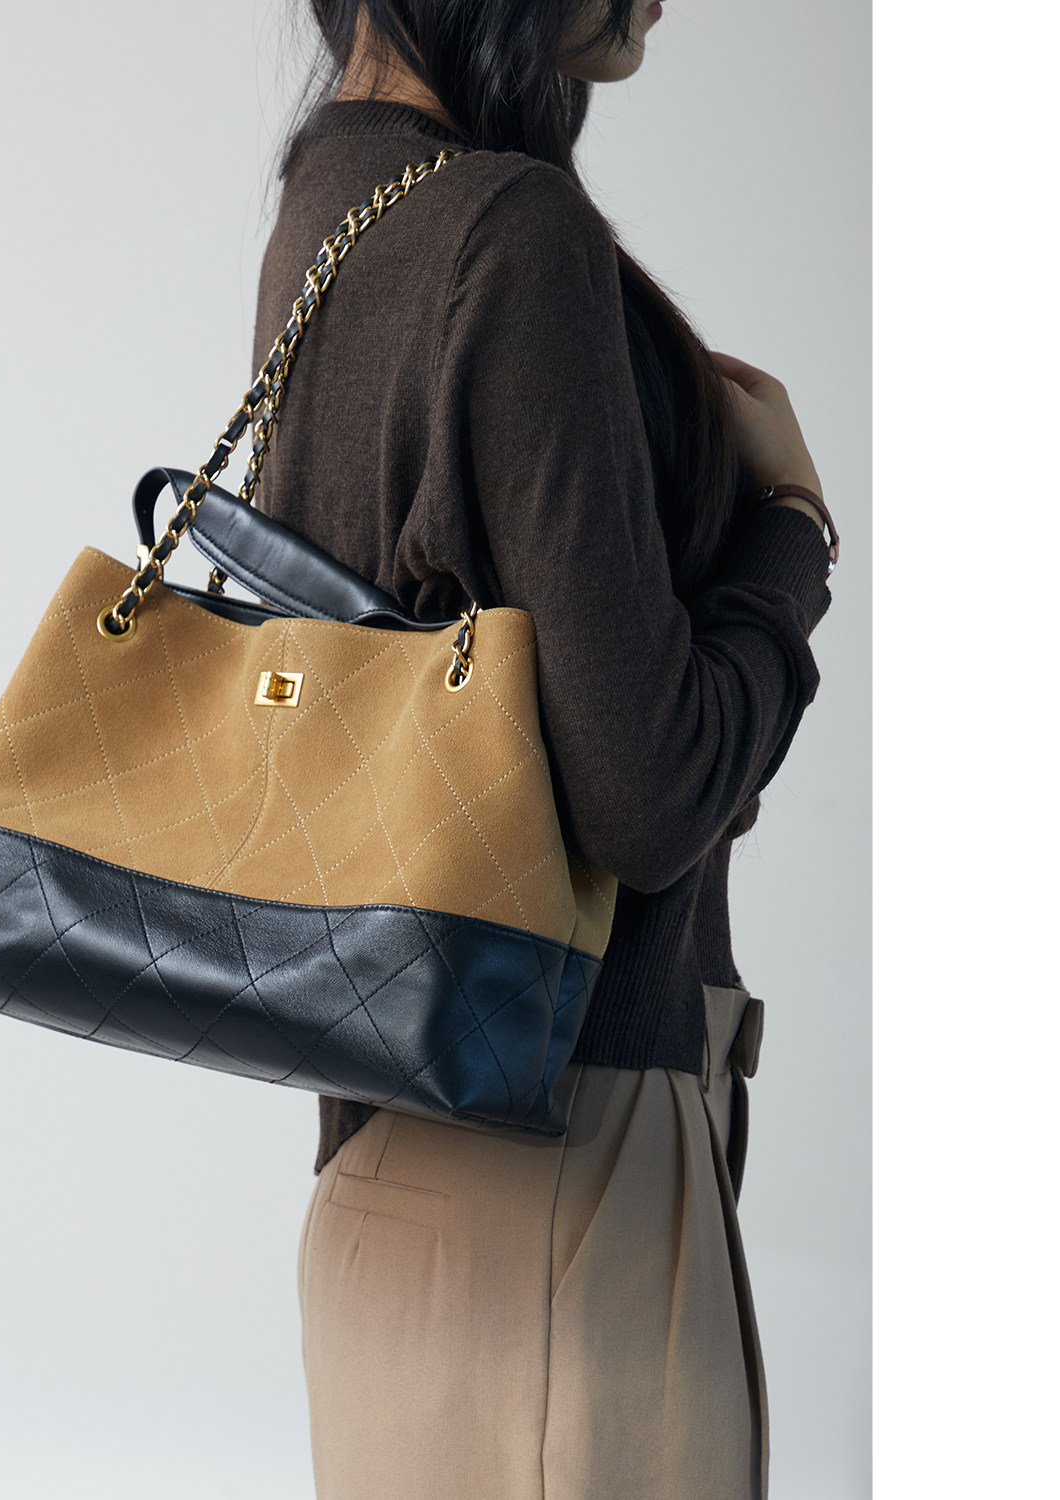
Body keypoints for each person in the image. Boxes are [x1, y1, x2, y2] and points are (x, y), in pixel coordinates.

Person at [248, 3, 837, 1497]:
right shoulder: (515, 237)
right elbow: (651, 792)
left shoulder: (335, 195)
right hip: (567, 1184)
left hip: (384, 1189)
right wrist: (789, 537)